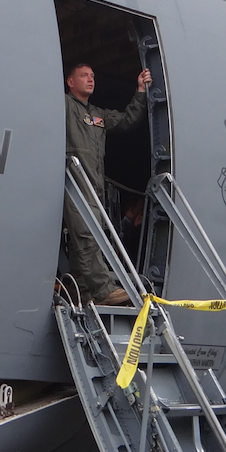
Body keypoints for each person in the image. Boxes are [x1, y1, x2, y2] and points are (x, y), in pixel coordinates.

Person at [63, 63, 150, 305]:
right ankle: (103, 290)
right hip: (76, 182)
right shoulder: (64, 106)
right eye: (84, 76)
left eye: (92, 75)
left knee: (88, 235)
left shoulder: (98, 115)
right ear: (70, 82)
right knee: (86, 233)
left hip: (95, 185)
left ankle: (82, 291)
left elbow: (127, 120)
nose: (90, 80)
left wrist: (140, 91)